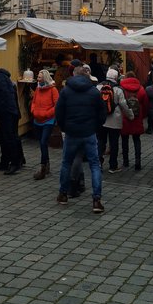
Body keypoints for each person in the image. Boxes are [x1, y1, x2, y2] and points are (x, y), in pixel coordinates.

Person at [55, 65, 106, 213]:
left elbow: (59, 111)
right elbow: (102, 112)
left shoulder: (66, 91)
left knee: (66, 163)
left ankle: (63, 194)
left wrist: (64, 127)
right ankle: (96, 200)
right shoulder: (94, 92)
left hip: (72, 132)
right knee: (94, 165)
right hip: (89, 133)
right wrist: (95, 126)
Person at [97, 67, 134, 173]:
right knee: (114, 143)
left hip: (101, 119)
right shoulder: (118, 89)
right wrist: (130, 115)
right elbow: (123, 104)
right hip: (115, 119)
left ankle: (99, 163)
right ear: (116, 77)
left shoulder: (99, 86)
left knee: (101, 142)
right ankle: (113, 166)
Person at [0, 64, 21, 174]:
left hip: (7, 113)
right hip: (8, 112)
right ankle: (5, 162)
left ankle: (14, 164)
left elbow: (2, 96)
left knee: (9, 138)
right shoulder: (2, 77)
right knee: (4, 137)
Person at [31, 69, 59, 180]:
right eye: (38, 77)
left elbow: (57, 105)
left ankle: (43, 167)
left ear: (45, 78)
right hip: (37, 119)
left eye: (39, 77)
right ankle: (47, 164)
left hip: (48, 120)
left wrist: (47, 113)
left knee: (43, 142)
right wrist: (33, 110)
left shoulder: (53, 90)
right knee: (42, 143)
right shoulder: (38, 88)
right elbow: (34, 101)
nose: (38, 78)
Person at [120, 71, 149, 170]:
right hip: (137, 117)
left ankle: (125, 161)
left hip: (125, 117)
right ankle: (138, 162)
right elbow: (145, 105)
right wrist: (143, 116)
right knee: (137, 140)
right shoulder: (141, 89)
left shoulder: (122, 89)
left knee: (124, 140)